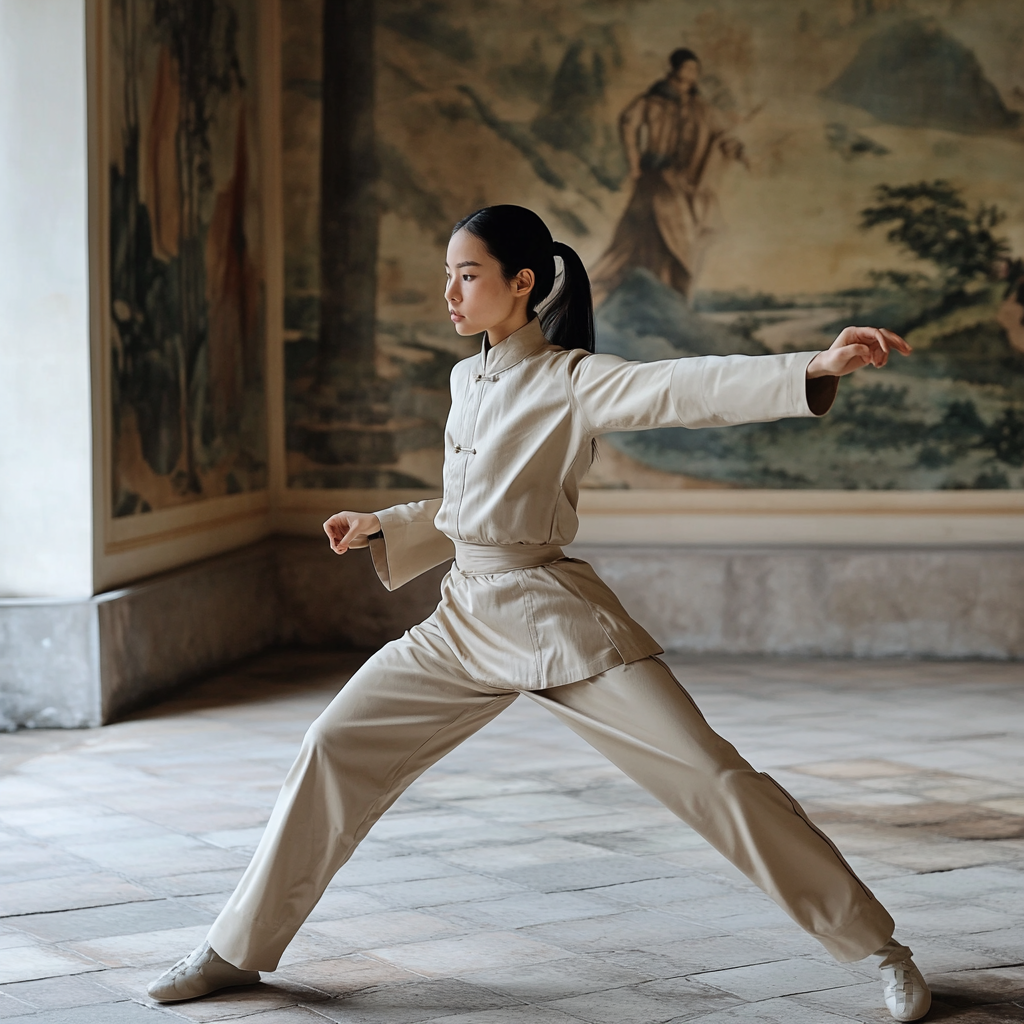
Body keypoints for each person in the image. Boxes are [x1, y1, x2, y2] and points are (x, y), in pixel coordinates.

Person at [148, 205, 930, 1022]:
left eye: (469, 274)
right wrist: (387, 523)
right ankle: (236, 950)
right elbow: (467, 506)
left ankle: (881, 951)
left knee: (715, 778)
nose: (450, 292)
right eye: (447, 274)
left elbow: (682, 387)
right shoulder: (464, 380)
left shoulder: (573, 379)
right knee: (332, 746)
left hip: (553, 617)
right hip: (460, 622)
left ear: (523, 283)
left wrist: (814, 363)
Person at [590, 47, 746, 308]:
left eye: (695, 69)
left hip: (685, 182)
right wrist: (634, 162)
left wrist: (738, 150)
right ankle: (654, 293)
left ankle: (670, 296)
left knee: (672, 238)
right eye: (688, 67)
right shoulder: (654, 100)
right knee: (667, 233)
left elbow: (720, 133)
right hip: (657, 177)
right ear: (674, 69)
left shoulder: (700, 107)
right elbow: (628, 122)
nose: (692, 74)